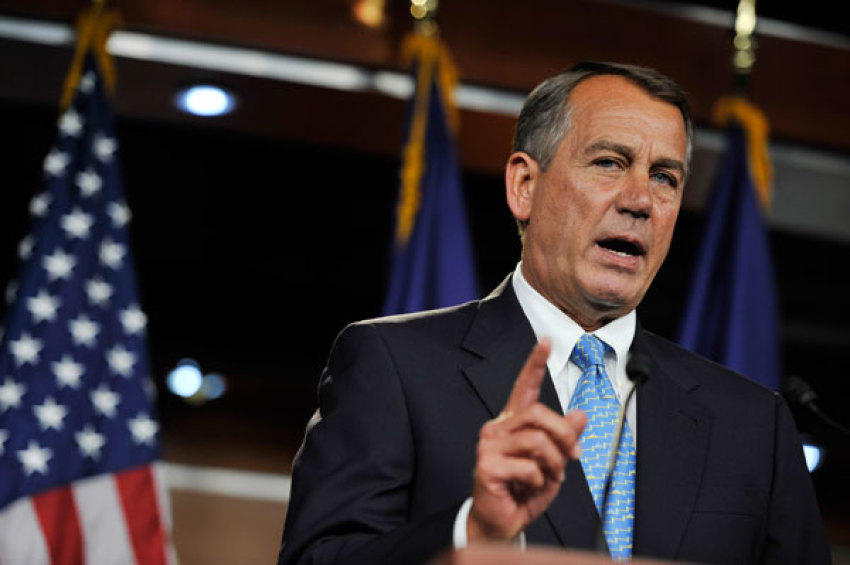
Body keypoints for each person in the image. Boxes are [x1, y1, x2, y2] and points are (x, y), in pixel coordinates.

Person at [277, 61, 831, 564]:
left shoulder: (753, 424)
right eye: (609, 163)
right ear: (524, 185)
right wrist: (474, 531)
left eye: (664, 177)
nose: (640, 200)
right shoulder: (395, 366)